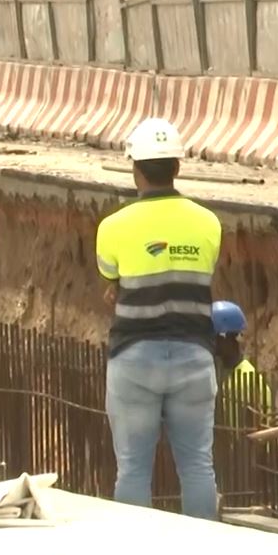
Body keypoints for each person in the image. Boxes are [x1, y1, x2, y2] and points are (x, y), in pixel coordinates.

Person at [96, 117, 222, 520]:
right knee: (198, 467)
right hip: (194, 356)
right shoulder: (209, 223)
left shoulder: (112, 227)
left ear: (135, 169)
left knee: (133, 469)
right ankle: (202, 553)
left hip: (134, 358)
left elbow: (110, 276)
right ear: (178, 167)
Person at [212, 300, 271, 426]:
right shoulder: (224, 373)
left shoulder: (245, 378)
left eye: (214, 338)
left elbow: (246, 430)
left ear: (226, 338)